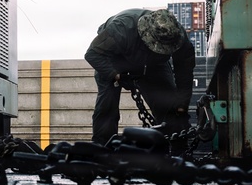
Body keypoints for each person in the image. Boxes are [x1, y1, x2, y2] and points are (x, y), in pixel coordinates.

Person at [84, 8, 195, 147]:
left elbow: (184, 72)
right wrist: (116, 75)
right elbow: (92, 54)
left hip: (153, 64)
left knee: (169, 104)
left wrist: (182, 104)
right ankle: (102, 147)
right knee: (107, 104)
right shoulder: (121, 29)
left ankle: (179, 148)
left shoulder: (178, 38)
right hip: (114, 59)